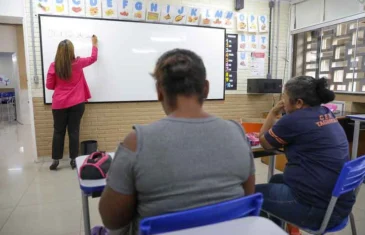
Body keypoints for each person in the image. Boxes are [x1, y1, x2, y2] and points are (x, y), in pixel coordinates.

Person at [98, 49, 256, 235]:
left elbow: (112, 219)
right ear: (206, 88)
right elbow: (248, 196)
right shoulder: (237, 132)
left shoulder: (136, 142)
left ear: (159, 92)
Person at [256, 76, 355, 230]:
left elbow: (264, 142)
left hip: (316, 211)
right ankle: (276, 231)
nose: (282, 100)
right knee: (276, 179)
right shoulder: (326, 112)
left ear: (299, 103)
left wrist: (272, 112)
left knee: (249, 195)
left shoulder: (294, 119)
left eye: (284, 97)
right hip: (338, 206)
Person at [46, 36, 98, 170]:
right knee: (73, 131)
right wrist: (94, 45)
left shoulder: (53, 66)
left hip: (59, 104)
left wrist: (61, 86)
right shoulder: (78, 63)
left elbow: (49, 85)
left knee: (58, 132)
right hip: (77, 104)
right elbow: (93, 58)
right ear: (71, 51)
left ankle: (55, 161)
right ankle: (73, 160)